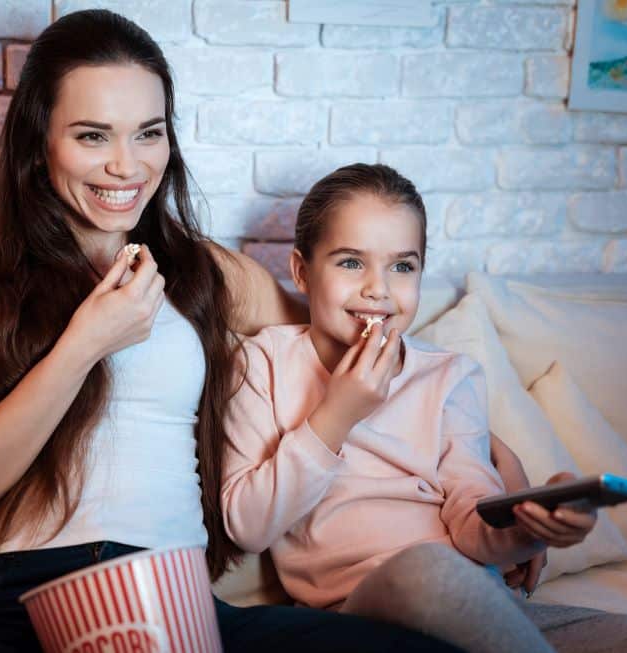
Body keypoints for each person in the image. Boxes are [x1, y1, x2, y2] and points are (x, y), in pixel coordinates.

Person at [0, 10, 465, 653]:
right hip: (9, 601)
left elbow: (354, 342)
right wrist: (86, 341)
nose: (126, 166)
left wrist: (484, 460)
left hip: (171, 602)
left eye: (148, 133)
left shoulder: (208, 272)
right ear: (41, 143)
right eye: (93, 136)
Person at [220, 163, 600, 653]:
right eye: (351, 262)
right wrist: (338, 413)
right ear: (300, 271)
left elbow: (471, 523)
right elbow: (249, 526)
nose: (378, 288)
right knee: (428, 567)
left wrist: (529, 527)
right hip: (361, 610)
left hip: (474, 597)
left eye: (402, 266)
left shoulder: (451, 377)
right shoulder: (261, 363)